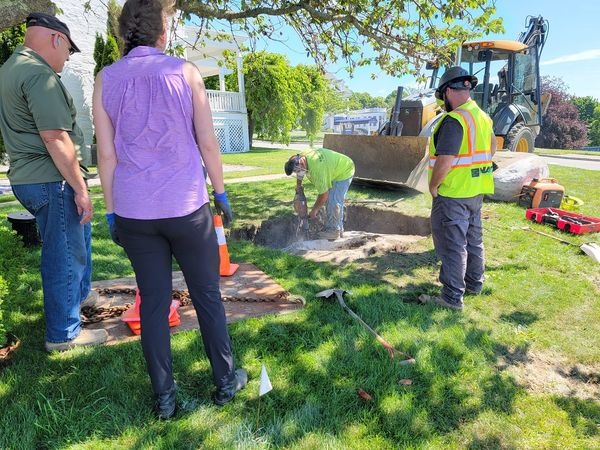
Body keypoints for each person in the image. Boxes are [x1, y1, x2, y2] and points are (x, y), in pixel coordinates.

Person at [92, 0, 246, 419]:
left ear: (124, 33)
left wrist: (111, 211)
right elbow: (208, 143)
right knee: (207, 295)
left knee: (154, 305)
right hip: (186, 207)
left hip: (135, 212)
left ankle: (165, 399)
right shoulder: (186, 72)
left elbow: (106, 156)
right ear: (162, 32)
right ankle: (226, 381)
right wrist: (221, 193)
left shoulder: (106, 79)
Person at [0, 13, 107, 351]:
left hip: (35, 176)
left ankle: (79, 296)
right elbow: (55, 137)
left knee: (78, 240)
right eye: (69, 51)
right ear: (56, 39)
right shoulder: (36, 73)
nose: (67, 58)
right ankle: (64, 333)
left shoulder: (10, 68)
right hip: (51, 179)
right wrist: (79, 187)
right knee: (63, 254)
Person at [420, 66, 496, 311]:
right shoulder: (482, 116)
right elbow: (492, 146)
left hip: (453, 193)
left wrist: (433, 185)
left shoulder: (454, 120)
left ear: (449, 91)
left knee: (452, 245)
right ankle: (474, 283)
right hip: (476, 190)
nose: (443, 102)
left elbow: (446, 159)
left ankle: (452, 297)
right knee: (473, 240)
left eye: (443, 97)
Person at [284, 148, 355, 240]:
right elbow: (300, 173)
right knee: (333, 200)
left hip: (345, 169)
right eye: (296, 171)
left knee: (333, 201)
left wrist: (314, 211)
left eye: (297, 170)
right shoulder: (301, 157)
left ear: (301, 163)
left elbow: (324, 195)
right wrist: (299, 186)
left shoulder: (316, 170)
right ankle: (339, 229)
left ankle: (333, 231)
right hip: (334, 167)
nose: (298, 173)